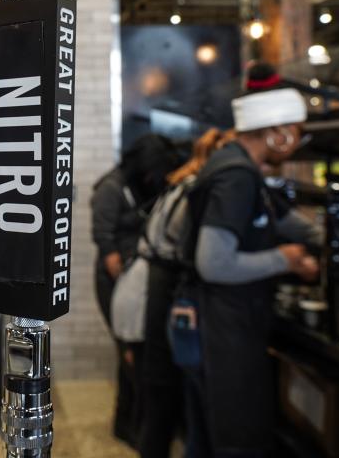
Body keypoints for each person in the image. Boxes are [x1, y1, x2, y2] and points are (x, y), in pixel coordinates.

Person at [186, 87, 319, 457]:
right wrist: (285, 259)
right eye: (296, 131)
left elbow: (284, 221)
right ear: (277, 132)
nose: (297, 142)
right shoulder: (236, 177)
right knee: (239, 438)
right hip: (227, 325)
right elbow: (213, 263)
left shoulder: (240, 168)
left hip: (232, 321)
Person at [137, 128, 234, 458]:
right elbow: (205, 256)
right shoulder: (196, 188)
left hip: (158, 282)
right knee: (170, 388)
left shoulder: (180, 182)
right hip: (169, 287)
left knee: (160, 387)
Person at [91, 134, 185, 446]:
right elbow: (107, 246)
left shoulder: (137, 185)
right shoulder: (111, 187)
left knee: (131, 354)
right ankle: (134, 427)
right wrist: (128, 289)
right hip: (115, 281)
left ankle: (129, 423)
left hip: (133, 280)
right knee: (130, 353)